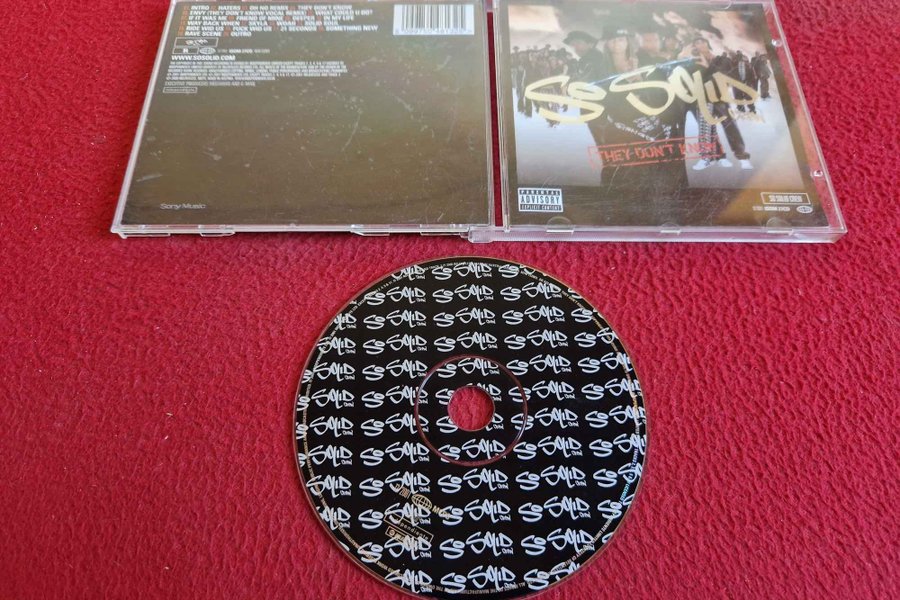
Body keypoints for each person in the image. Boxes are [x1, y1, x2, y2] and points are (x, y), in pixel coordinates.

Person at [691, 37, 753, 170]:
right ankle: (707, 158)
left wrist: (707, 67)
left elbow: (725, 76)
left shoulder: (722, 60)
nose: (699, 45)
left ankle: (742, 158)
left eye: (701, 42)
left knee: (730, 127)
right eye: (696, 43)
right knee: (705, 130)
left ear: (707, 43)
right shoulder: (694, 63)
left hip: (720, 98)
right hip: (703, 99)